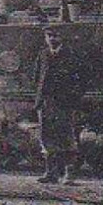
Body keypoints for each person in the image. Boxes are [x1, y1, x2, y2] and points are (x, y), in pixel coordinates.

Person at [35, 25, 86, 185]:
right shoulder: (43, 54)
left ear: (62, 38)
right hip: (45, 102)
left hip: (64, 103)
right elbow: (37, 76)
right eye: (49, 36)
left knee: (66, 137)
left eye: (55, 36)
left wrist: (73, 99)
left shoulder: (71, 55)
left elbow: (80, 80)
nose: (52, 39)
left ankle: (69, 174)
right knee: (46, 137)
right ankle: (51, 173)